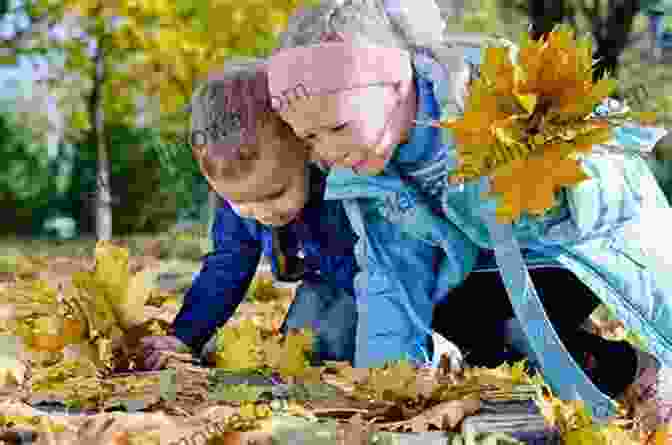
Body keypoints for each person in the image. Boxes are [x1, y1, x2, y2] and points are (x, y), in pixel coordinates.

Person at [266, 0, 672, 435]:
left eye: (339, 128)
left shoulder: (493, 93)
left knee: (523, 325)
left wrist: (537, 190)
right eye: (310, 138)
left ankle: (635, 372)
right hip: (492, 272)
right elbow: (392, 274)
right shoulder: (369, 172)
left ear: (395, 85)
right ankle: (591, 360)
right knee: (467, 320)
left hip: (578, 254)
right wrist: (386, 382)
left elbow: (603, 188)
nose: (327, 152)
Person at [139, 57, 464, 372]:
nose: (261, 213)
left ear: (307, 147)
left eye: (275, 194)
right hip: (330, 287)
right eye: (240, 203)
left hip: (408, 286)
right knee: (305, 345)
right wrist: (185, 337)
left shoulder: (346, 184)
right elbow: (227, 265)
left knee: (355, 337)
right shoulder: (244, 197)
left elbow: (395, 266)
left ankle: (440, 348)